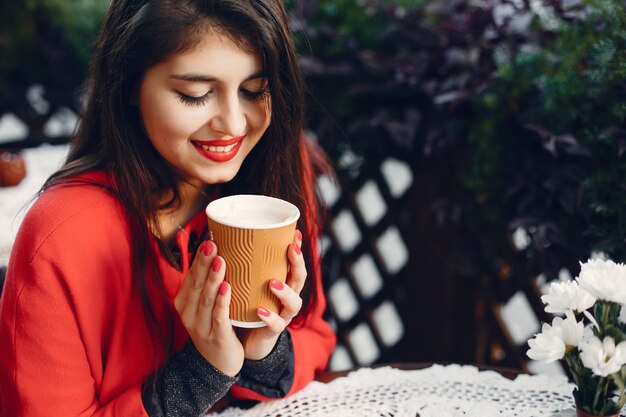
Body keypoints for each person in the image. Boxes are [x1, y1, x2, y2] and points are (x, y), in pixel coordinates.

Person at [0, 0, 337, 416]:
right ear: (128, 88)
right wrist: (201, 373)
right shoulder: (63, 234)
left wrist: (264, 349)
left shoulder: (277, 174)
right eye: (195, 95)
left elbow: (315, 336)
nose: (234, 124)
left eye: (254, 90)